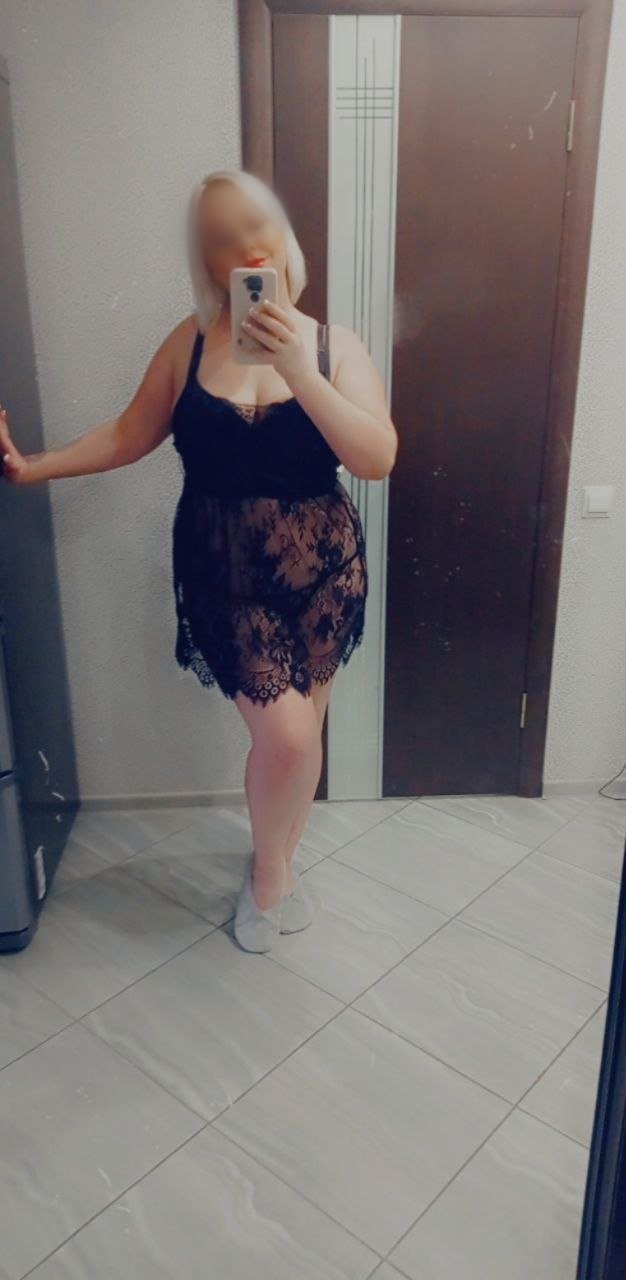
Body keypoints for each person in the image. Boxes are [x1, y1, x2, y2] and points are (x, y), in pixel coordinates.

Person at [0, 167, 398, 952]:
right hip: (225, 578)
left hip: (323, 574)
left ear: (283, 234)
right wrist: (30, 468)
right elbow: (128, 435)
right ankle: (269, 879)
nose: (245, 246)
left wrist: (299, 373)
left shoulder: (333, 346)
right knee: (286, 738)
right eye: (221, 237)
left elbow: (376, 456)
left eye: (255, 224)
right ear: (207, 260)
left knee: (304, 735)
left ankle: (278, 860)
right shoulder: (187, 345)